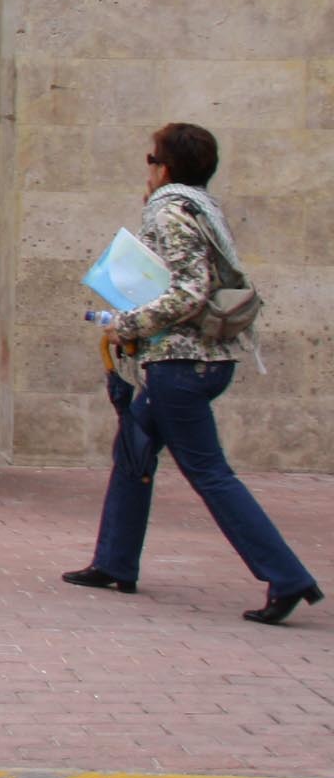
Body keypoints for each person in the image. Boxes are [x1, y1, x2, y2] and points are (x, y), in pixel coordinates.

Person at [64, 122, 318, 624]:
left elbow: (189, 290)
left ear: (167, 167)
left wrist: (126, 323)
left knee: (210, 473)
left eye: (151, 159)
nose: (149, 169)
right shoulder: (203, 207)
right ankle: (114, 562)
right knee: (132, 451)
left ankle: (287, 577)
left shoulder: (170, 211)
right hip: (196, 362)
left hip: (179, 366)